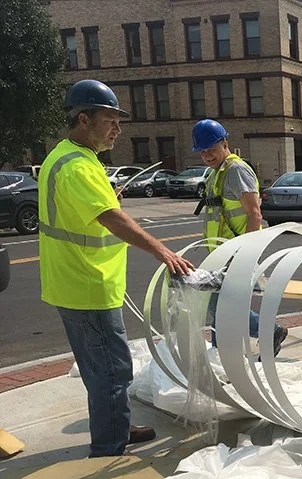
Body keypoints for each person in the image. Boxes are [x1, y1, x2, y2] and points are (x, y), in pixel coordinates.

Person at [38, 79, 195, 457]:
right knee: (111, 371)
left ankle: (117, 427)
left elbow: (90, 209)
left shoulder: (67, 156)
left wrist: (109, 195)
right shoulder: (77, 167)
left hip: (81, 282)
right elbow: (112, 218)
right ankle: (109, 447)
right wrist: (162, 251)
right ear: (83, 118)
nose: (117, 129)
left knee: (106, 367)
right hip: (86, 286)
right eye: (110, 120)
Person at [191, 119, 288, 356]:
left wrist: (247, 252)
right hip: (222, 253)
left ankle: (231, 349)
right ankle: (227, 351)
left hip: (236, 253)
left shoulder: (236, 170)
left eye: (211, 150)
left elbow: (254, 214)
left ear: (224, 143)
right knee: (223, 306)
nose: (207, 156)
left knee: (220, 307)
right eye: (202, 152)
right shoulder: (217, 173)